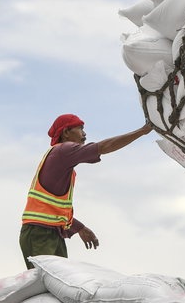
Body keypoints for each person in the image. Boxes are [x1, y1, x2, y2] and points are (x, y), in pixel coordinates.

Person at [20, 114, 154, 267]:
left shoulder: (62, 161)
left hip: (49, 232)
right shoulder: (63, 151)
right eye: (80, 128)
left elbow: (55, 209)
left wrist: (80, 228)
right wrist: (141, 132)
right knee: (48, 282)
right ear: (66, 133)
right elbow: (102, 147)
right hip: (39, 233)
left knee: (58, 283)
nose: (84, 134)